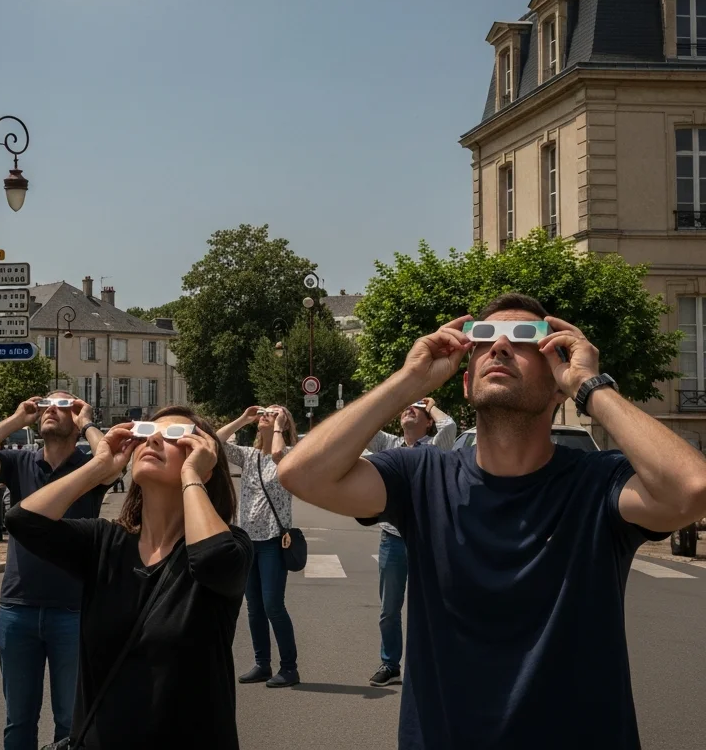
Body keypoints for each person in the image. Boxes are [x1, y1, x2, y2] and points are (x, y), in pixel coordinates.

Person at [278, 293, 706, 750]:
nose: (500, 346)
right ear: (465, 383)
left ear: (558, 382)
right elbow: (300, 473)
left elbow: (693, 489)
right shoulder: (421, 475)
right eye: (482, 338)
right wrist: (408, 381)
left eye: (526, 338)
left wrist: (589, 383)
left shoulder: (599, 482)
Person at [4, 406, 252, 750]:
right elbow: (22, 522)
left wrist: (193, 476)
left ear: (204, 459)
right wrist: (99, 467)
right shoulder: (104, 542)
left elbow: (213, 561)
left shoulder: (230, 544)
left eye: (175, 436)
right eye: (148, 431)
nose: (153, 439)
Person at [0, 392, 106, 750]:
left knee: (70, 722)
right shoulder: (20, 462)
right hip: (17, 608)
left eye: (63, 406)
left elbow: (112, 458)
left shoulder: (90, 467)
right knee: (18, 720)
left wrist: (86, 420)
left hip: (72, 608)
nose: (52, 410)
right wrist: (17, 418)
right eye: (46, 406)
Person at [363, 397, 457, 687]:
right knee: (389, 609)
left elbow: (450, 426)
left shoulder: (434, 447)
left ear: (427, 421)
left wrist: (430, 405)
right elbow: (367, 425)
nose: (409, 410)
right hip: (392, 538)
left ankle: (429, 665)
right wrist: (398, 401)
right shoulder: (390, 445)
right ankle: (391, 665)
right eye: (407, 408)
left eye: (417, 409)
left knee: (428, 605)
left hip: (425, 537)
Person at [216, 403, 301, 688]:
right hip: (247, 540)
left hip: (274, 540)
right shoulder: (248, 455)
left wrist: (279, 424)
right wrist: (242, 418)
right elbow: (215, 442)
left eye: (274, 413)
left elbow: (277, 452)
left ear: (284, 424)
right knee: (253, 607)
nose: (267, 416)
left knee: (273, 605)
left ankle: (289, 668)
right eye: (265, 413)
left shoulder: (288, 456)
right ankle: (262, 664)